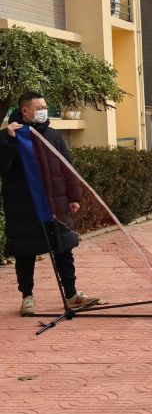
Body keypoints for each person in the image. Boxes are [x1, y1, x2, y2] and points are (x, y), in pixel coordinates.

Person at [1, 93, 91, 316]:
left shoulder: (52, 135)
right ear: (25, 111)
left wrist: (73, 197)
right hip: (24, 205)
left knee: (64, 249)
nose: (44, 110)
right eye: (39, 107)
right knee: (25, 252)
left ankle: (71, 294)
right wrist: (9, 140)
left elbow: (67, 167)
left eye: (45, 106)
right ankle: (27, 297)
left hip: (55, 205)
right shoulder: (10, 135)